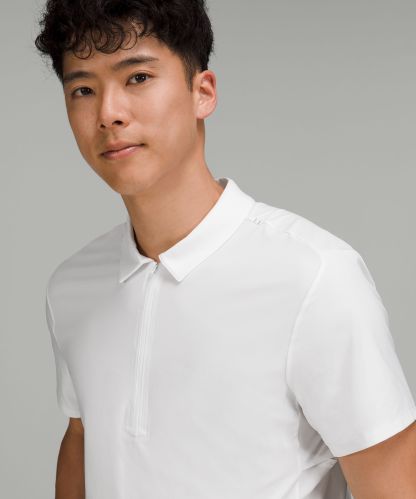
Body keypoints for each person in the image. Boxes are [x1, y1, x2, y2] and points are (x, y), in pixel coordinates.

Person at [35, 1, 416, 498]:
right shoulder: (72, 286)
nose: (108, 113)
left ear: (203, 92)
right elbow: (83, 439)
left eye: (138, 78)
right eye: (83, 90)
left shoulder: (314, 276)